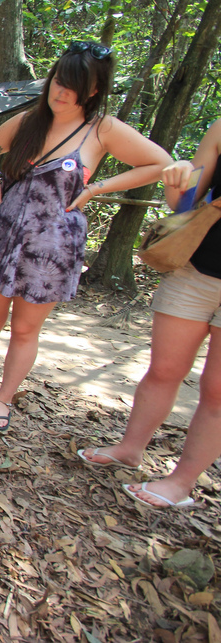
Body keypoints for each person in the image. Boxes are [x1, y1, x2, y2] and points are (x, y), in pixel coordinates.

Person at [0, 41, 171, 432]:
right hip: (3, 236)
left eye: (73, 86)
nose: (60, 92)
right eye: (58, 81)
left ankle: (4, 399)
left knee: (26, 328)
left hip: (51, 246)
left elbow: (160, 163)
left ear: (93, 91)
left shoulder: (102, 129)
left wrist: (98, 188)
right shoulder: (30, 121)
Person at [78, 120, 221, 509]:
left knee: (217, 390)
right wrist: (177, 184)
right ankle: (129, 449)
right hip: (197, 267)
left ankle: (182, 481)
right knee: (164, 369)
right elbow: (186, 204)